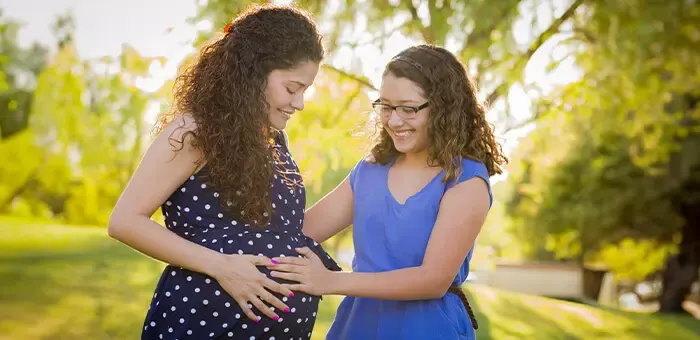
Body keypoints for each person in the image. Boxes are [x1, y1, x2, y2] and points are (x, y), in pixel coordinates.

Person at [107, 4, 340, 340]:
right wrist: (223, 266)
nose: (299, 103)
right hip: (202, 325)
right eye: (292, 88)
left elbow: (284, 232)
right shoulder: (195, 131)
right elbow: (125, 221)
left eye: (305, 90)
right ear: (254, 72)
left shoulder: (275, 141)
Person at [267, 44, 508, 340]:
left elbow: (431, 281)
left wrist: (329, 281)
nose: (394, 120)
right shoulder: (369, 171)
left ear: (445, 108)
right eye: (386, 106)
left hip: (427, 329)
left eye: (408, 108)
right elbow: (296, 233)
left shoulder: (465, 179)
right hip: (356, 328)